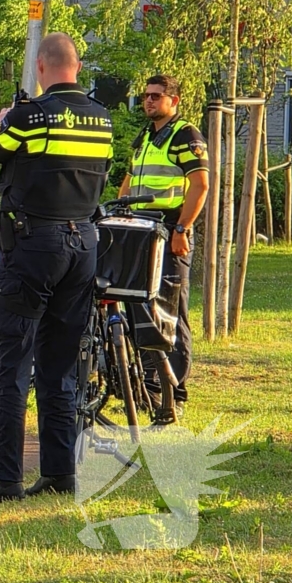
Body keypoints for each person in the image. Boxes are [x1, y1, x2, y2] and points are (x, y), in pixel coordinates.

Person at [0, 33, 114, 503]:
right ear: (78, 66)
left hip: (33, 246)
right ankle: (59, 471)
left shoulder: (27, 116)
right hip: (83, 245)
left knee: (11, 362)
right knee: (60, 365)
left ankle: (5, 479)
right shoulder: (102, 119)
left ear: (41, 67)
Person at [119, 75, 209, 421]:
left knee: (171, 309)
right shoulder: (146, 135)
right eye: (146, 96)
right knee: (141, 308)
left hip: (169, 229)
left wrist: (182, 229)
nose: (149, 101)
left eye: (156, 96)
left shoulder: (185, 135)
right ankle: (150, 387)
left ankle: (176, 390)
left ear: (175, 100)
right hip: (140, 230)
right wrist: (120, 210)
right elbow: (130, 179)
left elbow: (200, 185)